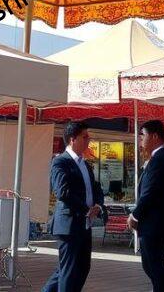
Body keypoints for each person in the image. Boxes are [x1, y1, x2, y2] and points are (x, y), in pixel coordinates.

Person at [44, 122, 103, 292]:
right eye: (84, 137)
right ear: (72, 140)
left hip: (85, 225)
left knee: (81, 268)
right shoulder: (60, 162)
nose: (88, 140)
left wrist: (98, 205)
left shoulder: (85, 164)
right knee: (69, 272)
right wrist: (86, 209)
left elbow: (96, 187)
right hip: (69, 225)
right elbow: (63, 192)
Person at [128, 120, 164, 292]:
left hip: (154, 222)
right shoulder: (157, 159)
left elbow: (150, 193)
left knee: (154, 264)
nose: (140, 139)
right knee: (151, 264)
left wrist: (135, 215)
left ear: (155, 136)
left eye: (143, 134)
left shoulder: (160, 160)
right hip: (154, 222)